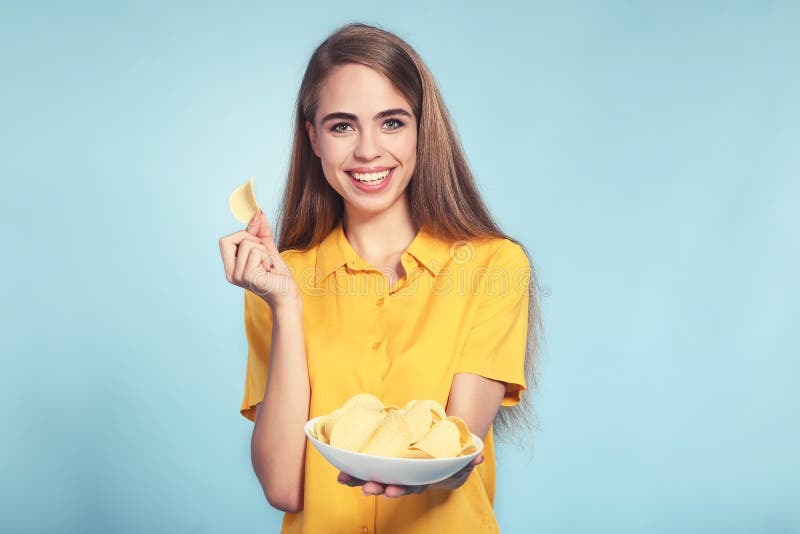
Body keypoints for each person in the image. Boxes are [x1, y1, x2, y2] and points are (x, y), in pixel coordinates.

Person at [218, 22, 542, 534]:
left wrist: (428, 471)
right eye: (342, 126)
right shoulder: (280, 281)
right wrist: (284, 305)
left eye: (391, 122)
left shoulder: (494, 267)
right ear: (314, 138)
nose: (368, 150)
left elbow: (456, 451)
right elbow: (283, 487)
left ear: (421, 130)